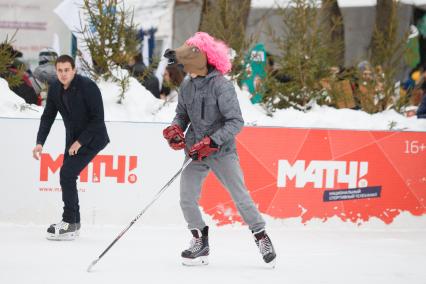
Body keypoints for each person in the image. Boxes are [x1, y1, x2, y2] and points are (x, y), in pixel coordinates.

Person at [162, 32, 276, 267]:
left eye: (187, 63)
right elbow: (182, 115)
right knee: (187, 199)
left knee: (241, 197)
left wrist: (213, 142)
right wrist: (176, 129)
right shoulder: (187, 86)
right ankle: (199, 242)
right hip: (195, 151)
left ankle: (261, 236)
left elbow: (235, 121)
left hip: (221, 152)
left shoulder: (222, 86)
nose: (185, 69)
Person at [32, 55, 110, 241]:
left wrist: (80, 142)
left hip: (93, 138)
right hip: (73, 138)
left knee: (66, 174)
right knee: (67, 175)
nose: (63, 74)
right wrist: (40, 142)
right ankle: (73, 222)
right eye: (60, 70)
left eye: (67, 70)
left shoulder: (88, 87)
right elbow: (48, 117)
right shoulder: (55, 88)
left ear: (74, 70)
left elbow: (97, 119)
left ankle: (69, 222)